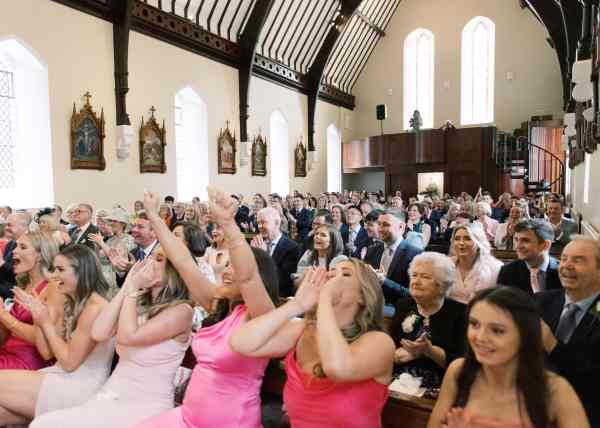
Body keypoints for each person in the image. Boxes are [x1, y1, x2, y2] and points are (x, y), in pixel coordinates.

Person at [134, 188, 279, 428]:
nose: (226, 271)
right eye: (227, 264)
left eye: (234, 265)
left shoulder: (261, 316)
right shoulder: (217, 304)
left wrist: (228, 224)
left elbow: (249, 276)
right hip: (187, 416)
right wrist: (153, 216)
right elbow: (182, 260)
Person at [29, 248, 194, 428]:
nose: (148, 263)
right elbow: (99, 332)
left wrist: (131, 291)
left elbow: (128, 337)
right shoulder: (138, 302)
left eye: (159, 259)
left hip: (144, 404)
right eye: (150, 257)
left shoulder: (182, 311)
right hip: (112, 394)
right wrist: (127, 286)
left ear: (175, 270)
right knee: (44, 423)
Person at [231, 261, 395, 428]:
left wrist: (325, 297)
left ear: (362, 295)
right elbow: (241, 343)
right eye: (331, 272)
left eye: (345, 274)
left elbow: (336, 368)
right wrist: (297, 305)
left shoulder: (380, 342)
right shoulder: (303, 330)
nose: (332, 276)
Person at [427, 287, 589, 428]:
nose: (480, 337)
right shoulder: (458, 371)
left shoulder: (555, 389)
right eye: (475, 324)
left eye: (497, 330)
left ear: (525, 336)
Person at [0, 245, 113, 425]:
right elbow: (46, 351)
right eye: (54, 269)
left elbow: (69, 363)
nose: (53, 276)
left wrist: (45, 322)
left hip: (79, 386)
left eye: (60, 270)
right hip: (59, 375)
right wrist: (38, 315)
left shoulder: (95, 308)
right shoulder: (75, 303)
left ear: (82, 272)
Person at [536, 236, 600, 427]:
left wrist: (552, 345)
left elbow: (594, 379)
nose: (567, 266)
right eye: (564, 259)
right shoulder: (539, 301)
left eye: (578, 260)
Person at [390, 252, 466, 388]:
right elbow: (391, 346)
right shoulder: (404, 305)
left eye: (425, 277)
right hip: (399, 381)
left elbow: (462, 363)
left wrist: (429, 351)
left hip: (441, 384)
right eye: (414, 275)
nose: (416, 282)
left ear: (442, 285)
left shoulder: (460, 313)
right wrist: (398, 356)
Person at [0, 232, 58, 370]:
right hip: (8, 351)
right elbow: (7, 335)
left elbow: (45, 342)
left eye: (23, 247)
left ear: (39, 255)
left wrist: (3, 315)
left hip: (28, 359)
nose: (13, 250)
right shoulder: (24, 285)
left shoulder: (52, 287)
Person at [364, 210, 422, 306]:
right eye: (379, 224)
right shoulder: (372, 250)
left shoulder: (415, 255)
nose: (380, 229)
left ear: (401, 227)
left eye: (386, 225)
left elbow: (414, 294)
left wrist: (384, 281)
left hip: (396, 309)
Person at [497, 220, 561, 295]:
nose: (518, 246)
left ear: (545, 245)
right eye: (517, 240)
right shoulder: (508, 272)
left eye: (525, 241)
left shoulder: (562, 272)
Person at [251, 207, 300, 297]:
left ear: (277, 223)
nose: (259, 226)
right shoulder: (257, 243)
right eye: (258, 223)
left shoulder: (292, 248)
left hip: (278, 298)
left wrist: (264, 256)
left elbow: (282, 281)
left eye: (263, 222)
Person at [449, 224, 502, 304]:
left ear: (478, 242)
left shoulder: (495, 267)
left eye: (467, 239)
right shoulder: (446, 265)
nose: (461, 243)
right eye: (457, 239)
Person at [0, 212, 32, 299]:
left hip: (19, 290)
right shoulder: (11, 243)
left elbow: (20, 277)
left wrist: (2, 263)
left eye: (9, 225)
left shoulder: (31, 245)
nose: (6, 228)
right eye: (6, 225)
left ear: (23, 226)